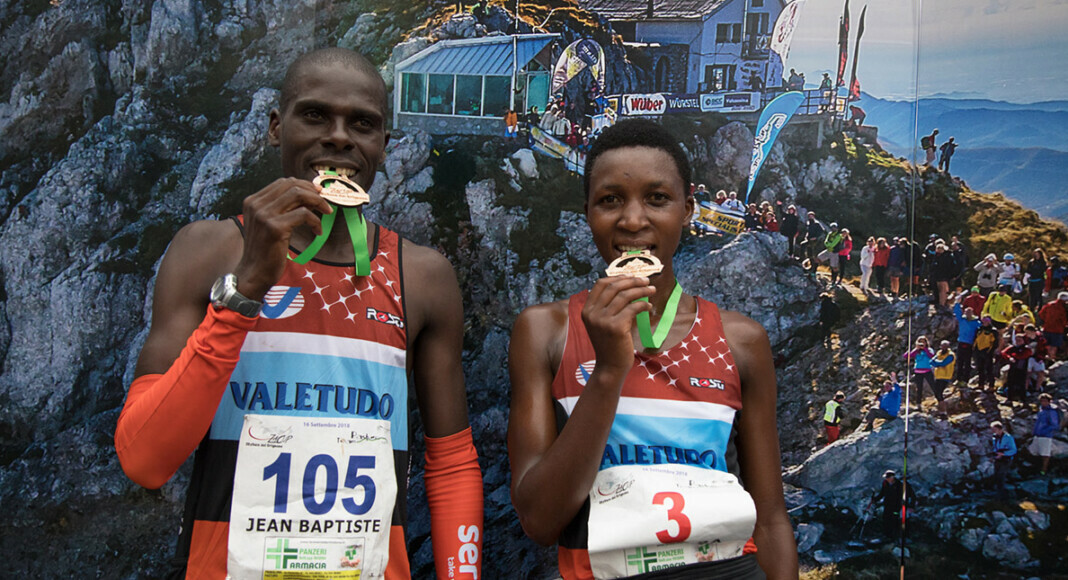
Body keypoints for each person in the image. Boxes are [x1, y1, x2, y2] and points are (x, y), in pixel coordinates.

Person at [114, 49, 483, 579]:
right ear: (274, 128)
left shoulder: (423, 277)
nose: (339, 137)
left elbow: (451, 465)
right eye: (314, 115)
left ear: (383, 144)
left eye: (363, 124)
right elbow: (144, 460)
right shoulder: (206, 252)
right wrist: (245, 289)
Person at [507, 119, 797, 579]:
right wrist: (608, 371)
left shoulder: (741, 341)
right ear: (588, 212)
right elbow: (540, 521)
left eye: (657, 198)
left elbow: (771, 519)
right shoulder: (546, 331)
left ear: (688, 209)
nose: (633, 220)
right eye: (610, 200)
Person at [870, 470, 915, 540]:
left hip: (897, 506)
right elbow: (882, 493)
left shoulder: (900, 485)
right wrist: (875, 499)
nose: (887, 479)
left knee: (895, 520)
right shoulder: (885, 483)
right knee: (886, 519)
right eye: (886, 477)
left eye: (888, 477)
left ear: (892, 477)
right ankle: (887, 535)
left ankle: (897, 536)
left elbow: (910, 496)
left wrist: (910, 506)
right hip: (887, 505)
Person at [1031, 393, 1063, 475]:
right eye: (1042, 401)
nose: (1043, 402)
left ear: (1049, 401)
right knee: (1035, 451)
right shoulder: (1041, 410)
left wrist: (1045, 431)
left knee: (1045, 454)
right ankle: (1036, 468)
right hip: (1038, 435)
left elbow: (1054, 425)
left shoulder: (1051, 411)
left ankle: (1044, 470)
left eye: (1045, 401)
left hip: (1046, 435)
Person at [953, 295, 980, 384]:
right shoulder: (962, 320)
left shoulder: (976, 323)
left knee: (967, 362)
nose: (968, 314)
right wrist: (957, 302)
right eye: (966, 312)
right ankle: (958, 379)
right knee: (959, 362)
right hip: (961, 342)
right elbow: (957, 312)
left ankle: (965, 380)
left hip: (970, 344)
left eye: (969, 312)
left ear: (972, 313)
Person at [1000, 334, 1032, 407]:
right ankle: (1009, 400)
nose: (1017, 342)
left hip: (1022, 370)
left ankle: (1023, 401)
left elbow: (1022, 356)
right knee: (1010, 384)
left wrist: (1013, 356)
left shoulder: (1026, 349)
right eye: (1016, 340)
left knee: (1021, 385)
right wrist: (1009, 357)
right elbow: (1004, 353)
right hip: (1013, 369)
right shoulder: (1013, 348)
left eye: (1020, 340)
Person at [903, 336, 935, 410]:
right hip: (918, 371)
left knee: (933, 385)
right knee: (919, 388)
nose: (922, 344)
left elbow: (932, 356)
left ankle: (938, 399)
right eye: (920, 342)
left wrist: (925, 349)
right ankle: (918, 404)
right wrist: (915, 349)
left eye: (923, 342)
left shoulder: (929, 350)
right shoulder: (916, 351)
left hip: (927, 370)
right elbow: (906, 356)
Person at [989, 421, 1016, 499]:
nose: (993, 431)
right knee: (996, 475)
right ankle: (998, 493)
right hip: (998, 459)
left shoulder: (1008, 438)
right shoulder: (995, 438)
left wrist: (1003, 454)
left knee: (1001, 475)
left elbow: (1014, 450)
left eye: (994, 429)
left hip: (1006, 460)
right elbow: (995, 448)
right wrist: (994, 456)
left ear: (1000, 429)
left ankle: (1003, 496)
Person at [1038, 291, 1068, 358]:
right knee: (1054, 345)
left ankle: (1046, 358)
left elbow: (1041, 314)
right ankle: (1051, 358)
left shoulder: (1049, 304)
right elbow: (1064, 320)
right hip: (1058, 330)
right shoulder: (1062, 307)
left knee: (1047, 345)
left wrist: (1046, 320)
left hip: (1047, 328)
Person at [973, 316, 1000, 390]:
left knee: (989, 369)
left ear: (990, 321)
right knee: (980, 368)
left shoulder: (993, 330)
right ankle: (981, 384)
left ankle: (991, 385)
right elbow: (975, 339)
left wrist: (990, 351)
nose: (985, 321)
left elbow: (995, 343)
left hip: (988, 352)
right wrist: (975, 349)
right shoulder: (979, 329)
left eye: (987, 320)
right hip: (978, 351)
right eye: (983, 320)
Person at [929, 341, 955, 417]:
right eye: (942, 346)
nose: (943, 348)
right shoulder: (939, 353)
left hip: (945, 376)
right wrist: (938, 363)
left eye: (945, 346)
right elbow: (931, 361)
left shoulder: (951, 355)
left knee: (939, 393)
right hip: (938, 376)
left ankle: (943, 411)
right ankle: (941, 410)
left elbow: (943, 363)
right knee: (937, 393)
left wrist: (937, 363)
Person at [1025, 248, 1048, 312]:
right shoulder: (1031, 262)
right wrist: (1026, 277)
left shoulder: (1043, 263)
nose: (1036, 255)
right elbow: (1028, 271)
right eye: (1035, 254)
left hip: (1039, 281)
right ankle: (1031, 309)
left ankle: (1040, 309)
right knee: (1031, 296)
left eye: (1038, 254)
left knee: (1039, 296)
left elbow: (1045, 272)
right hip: (1032, 281)